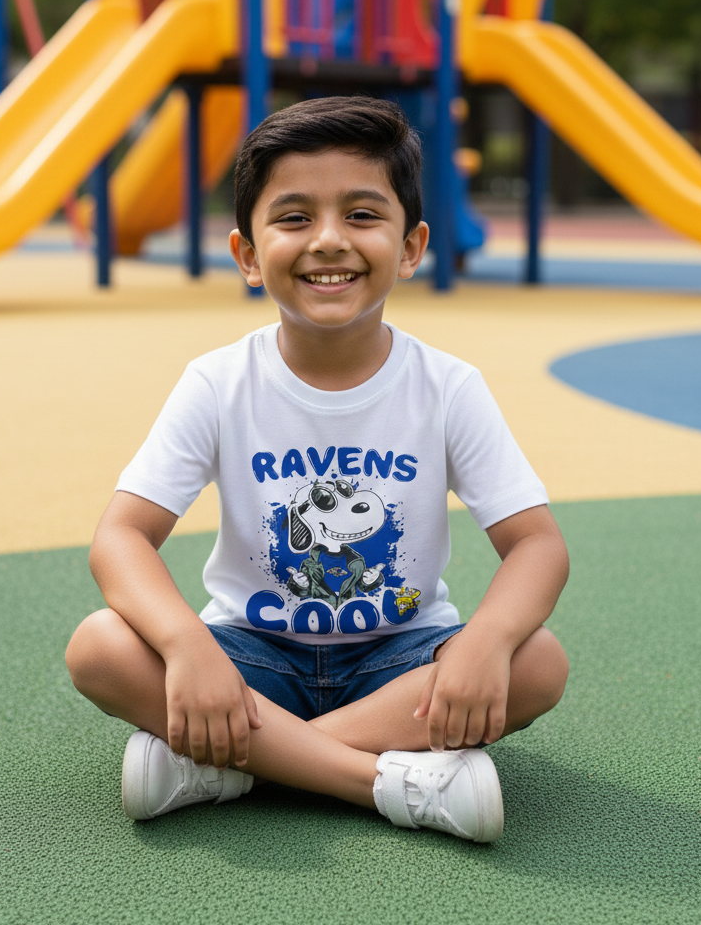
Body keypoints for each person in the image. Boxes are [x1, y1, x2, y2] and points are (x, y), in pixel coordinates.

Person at [65, 96, 569, 843]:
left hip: (398, 661)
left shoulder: (447, 386)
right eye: (294, 218)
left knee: (537, 663)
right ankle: (382, 782)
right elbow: (121, 537)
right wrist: (185, 647)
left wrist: (486, 642)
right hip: (247, 656)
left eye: (362, 215)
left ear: (410, 246)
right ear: (246, 254)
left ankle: (230, 761)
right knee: (99, 646)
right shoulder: (218, 382)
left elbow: (538, 545)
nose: (328, 241)